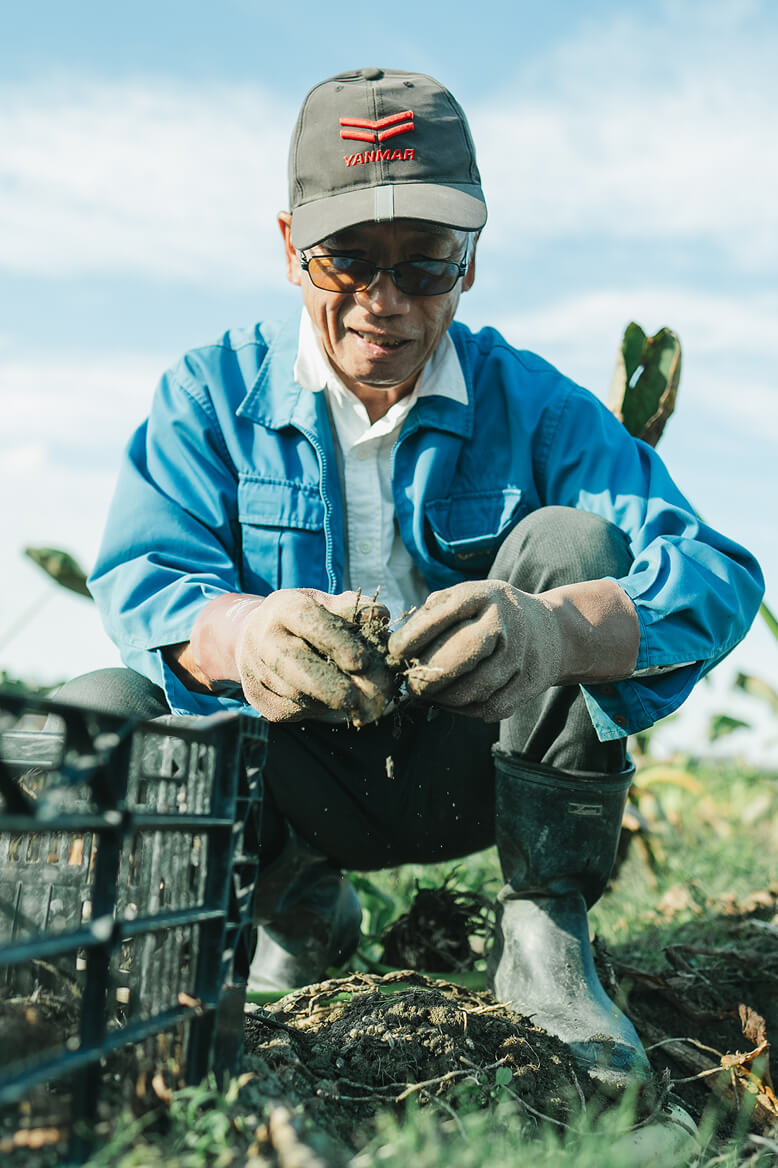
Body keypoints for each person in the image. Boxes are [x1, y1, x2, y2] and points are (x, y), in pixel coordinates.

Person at [70, 67, 762, 1091]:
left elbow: (711, 571)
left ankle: (543, 934)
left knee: (573, 544)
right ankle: (283, 906)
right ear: (288, 247)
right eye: (344, 258)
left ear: (469, 264)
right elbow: (143, 574)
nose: (381, 303)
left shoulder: (533, 403)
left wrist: (557, 630)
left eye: (425, 265)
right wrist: (246, 635)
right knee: (103, 707)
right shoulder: (208, 394)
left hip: (471, 767)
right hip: (290, 776)